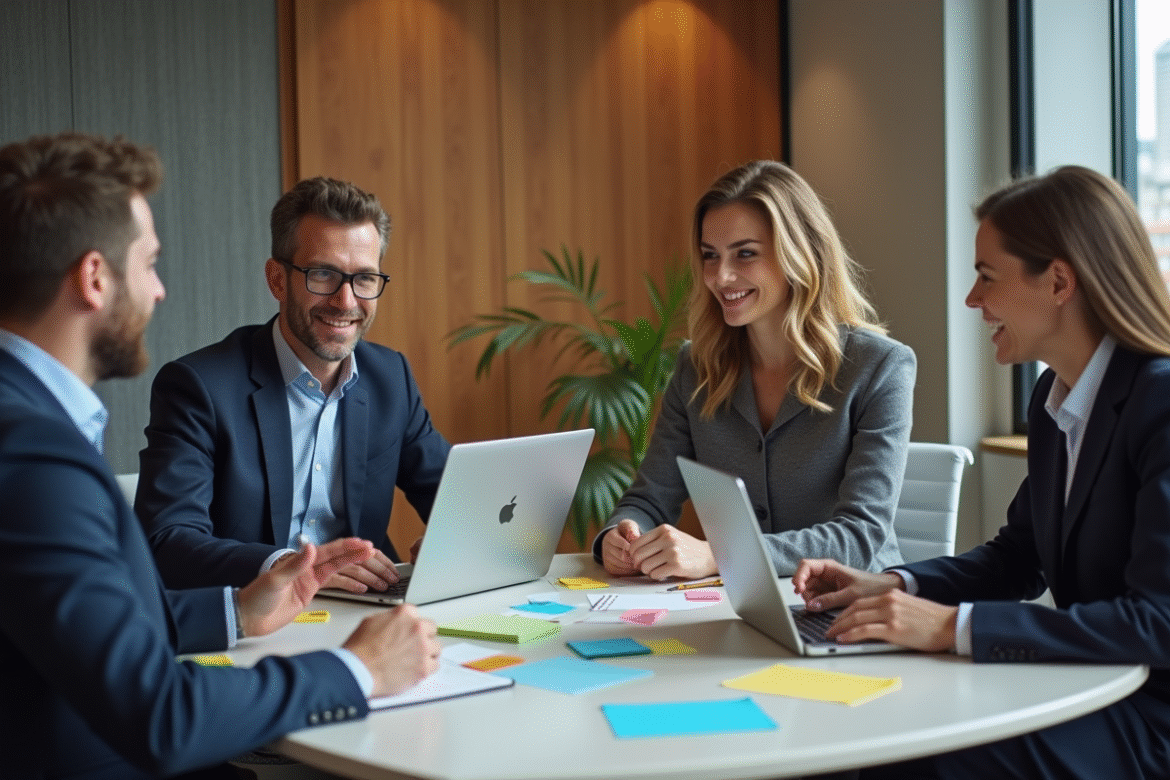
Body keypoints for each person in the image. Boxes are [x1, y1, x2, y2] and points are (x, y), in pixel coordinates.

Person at [0, 132, 442, 780]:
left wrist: (235, 611)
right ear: (96, 278)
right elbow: (161, 717)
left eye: (365, 278)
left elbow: (97, 628)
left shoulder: (32, 426)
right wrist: (358, 669)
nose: (158, 291)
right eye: (149, 264)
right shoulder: (35, 455)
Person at [793, 165, 1170, 779]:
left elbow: (1158, 620)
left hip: (1150, 717)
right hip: (1092, 686)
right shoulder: (1056, 402)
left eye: (986, 277)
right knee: (877, 724)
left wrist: (951, 626)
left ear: (1058, 282)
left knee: (914, 752)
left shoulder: (1159, 403)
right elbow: (1015, 559)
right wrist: (894, 586)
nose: (972, 300)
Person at [596, 160, 916, 580]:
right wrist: (618, 538)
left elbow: (859, 537)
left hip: (851, 608)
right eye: (710, 256)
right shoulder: (696, 368)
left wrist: (721, 555)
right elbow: (650, 499)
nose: (721, 276)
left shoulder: (879, 367)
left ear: (800, 254)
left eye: (745, 254)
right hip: (743, 606)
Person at [136, 175, 451, 592]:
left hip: (365, 609)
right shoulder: (199, 388)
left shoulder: (390, 378)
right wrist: (301, 567)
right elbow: (166, 542)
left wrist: (452, 541)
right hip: (255, 618)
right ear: (277, 280)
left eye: (365, 279)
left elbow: (453, 497)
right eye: (323, 275)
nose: (346, 302)